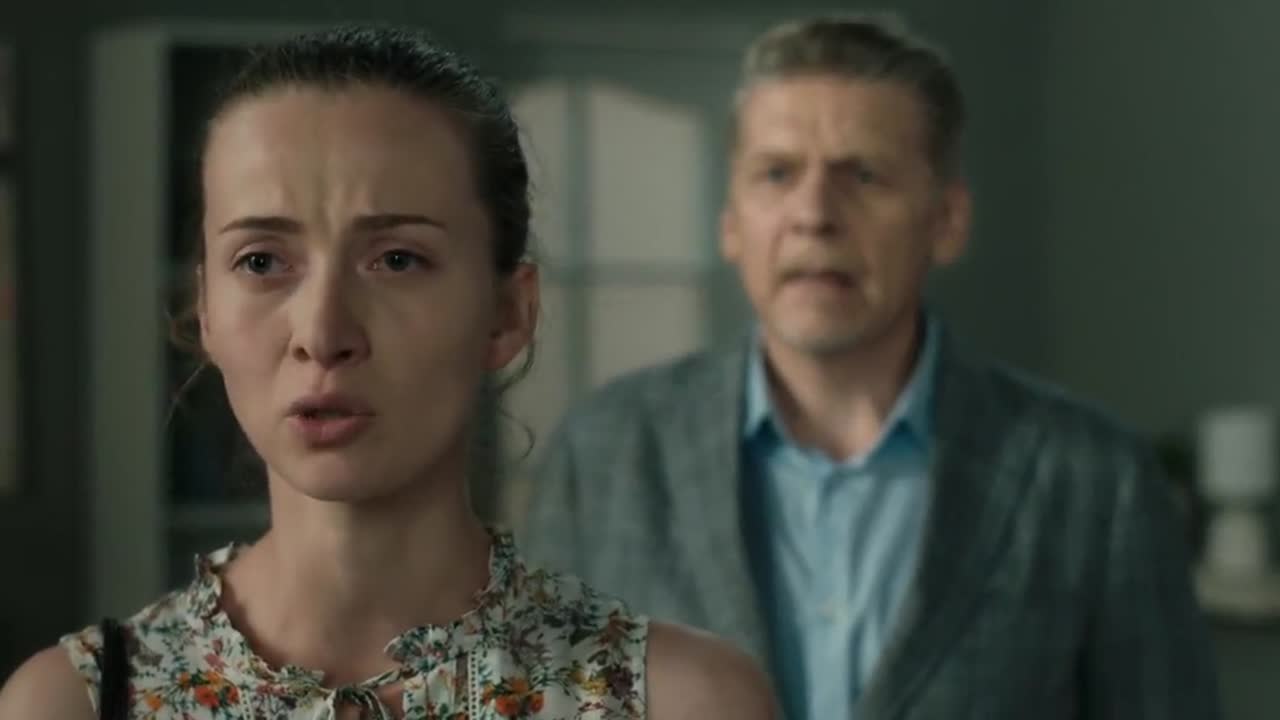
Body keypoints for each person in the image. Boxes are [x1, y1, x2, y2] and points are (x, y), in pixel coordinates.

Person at [0, 25, 779, 720]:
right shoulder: (76, 703)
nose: (323, 334)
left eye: (398, 259)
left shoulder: (679, 701)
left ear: (508, 313)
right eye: (262, 261)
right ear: (205, 309)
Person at [519, 14, 1221, 720]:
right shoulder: (603, 455)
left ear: (946, 221)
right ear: (731, 223)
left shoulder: (1094, 481)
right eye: (777, 173)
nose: (814, 214)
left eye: (863, 174)